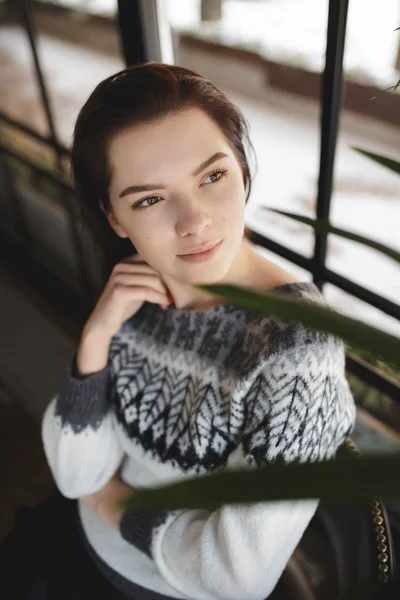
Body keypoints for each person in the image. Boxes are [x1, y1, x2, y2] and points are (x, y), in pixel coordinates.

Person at [40, 62, 356, 600]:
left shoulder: (297, 345)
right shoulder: (136, 294)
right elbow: (75, 476)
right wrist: (96, 339)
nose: (195, 221)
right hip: (86, 546)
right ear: (115, 218)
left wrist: (111, 503)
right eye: (149, 199)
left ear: (242, 167)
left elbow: (235, 576)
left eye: (213, 176)